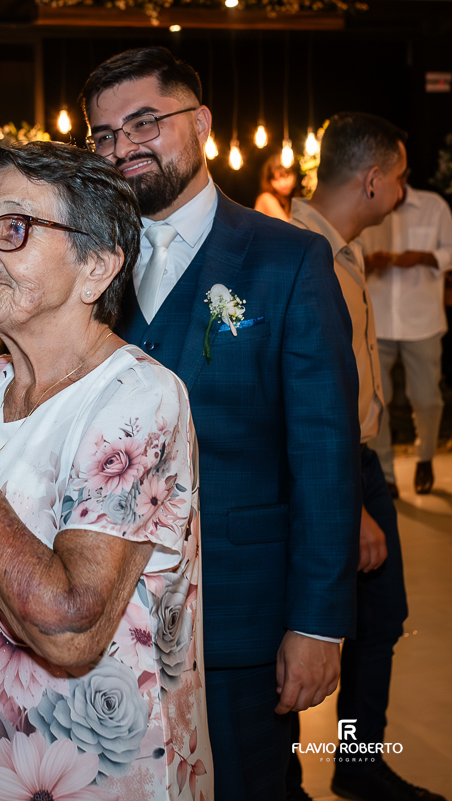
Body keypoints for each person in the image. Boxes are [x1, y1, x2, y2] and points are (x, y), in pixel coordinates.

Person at [0, 140, 213, 801]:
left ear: (96, 265)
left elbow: (69, 628)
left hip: (97, 778)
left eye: (13, 229)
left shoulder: (139, 397)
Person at [80, 47, 360, 800]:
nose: (123, 147)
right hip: (104, 617)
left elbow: (325, 454)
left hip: (240, 615)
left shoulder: (289, 260)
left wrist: (318, 622)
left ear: (200, 123)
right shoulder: (85, 267)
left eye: (144, 123)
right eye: (103, 135)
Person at [291, 113, 442, 801]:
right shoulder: (302, 253)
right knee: (301, 628)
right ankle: (287, 772)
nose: (406, 192)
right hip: (331, 469)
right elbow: (304, 400)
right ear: (372, 179)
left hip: (361, 463)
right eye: (402, 176)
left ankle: (355, 757)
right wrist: (349, 503)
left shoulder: (339, 248)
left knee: (379, 621)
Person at [360, 184, 452, 496]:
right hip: (378, 319)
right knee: (376, 402)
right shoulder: (367, 205)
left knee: (428, 398)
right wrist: (369, 262)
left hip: (422, 320)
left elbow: (450, 251)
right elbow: (347, 251)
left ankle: (425, 457)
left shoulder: (434, 205)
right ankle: (385, 473)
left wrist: (425, 257)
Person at [255, 153, 302, 221]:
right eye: (275, 179)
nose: (282, 184)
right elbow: (289, 229)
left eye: (286, 176)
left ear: (295, 174)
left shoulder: (291, 200)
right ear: (269, 182)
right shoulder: (266, 198)